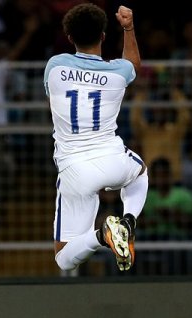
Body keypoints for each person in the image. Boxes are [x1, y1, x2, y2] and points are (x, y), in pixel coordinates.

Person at [45, 4, 147, 272]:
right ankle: (128, 220)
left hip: (75, 170)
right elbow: (133, 65)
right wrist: (128, 27)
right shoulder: (118, 72)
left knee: (63, 258)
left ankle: (103, 234)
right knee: (140, 172)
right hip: (113, 160)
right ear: (103, 36)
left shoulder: (54, 67)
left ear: (69, 38)